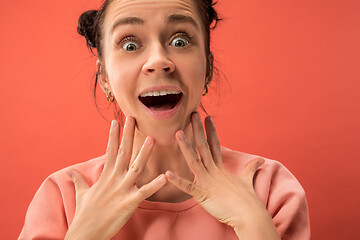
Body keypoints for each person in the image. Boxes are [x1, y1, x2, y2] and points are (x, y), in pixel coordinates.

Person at [19, 0, 310, 239]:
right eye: (130, 45)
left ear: (207, 69)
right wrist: (84, 234)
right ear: (104, 78)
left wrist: (255, 226)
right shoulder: (62, 196)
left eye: (180, 41)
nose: (159, 60)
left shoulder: (268, 186)